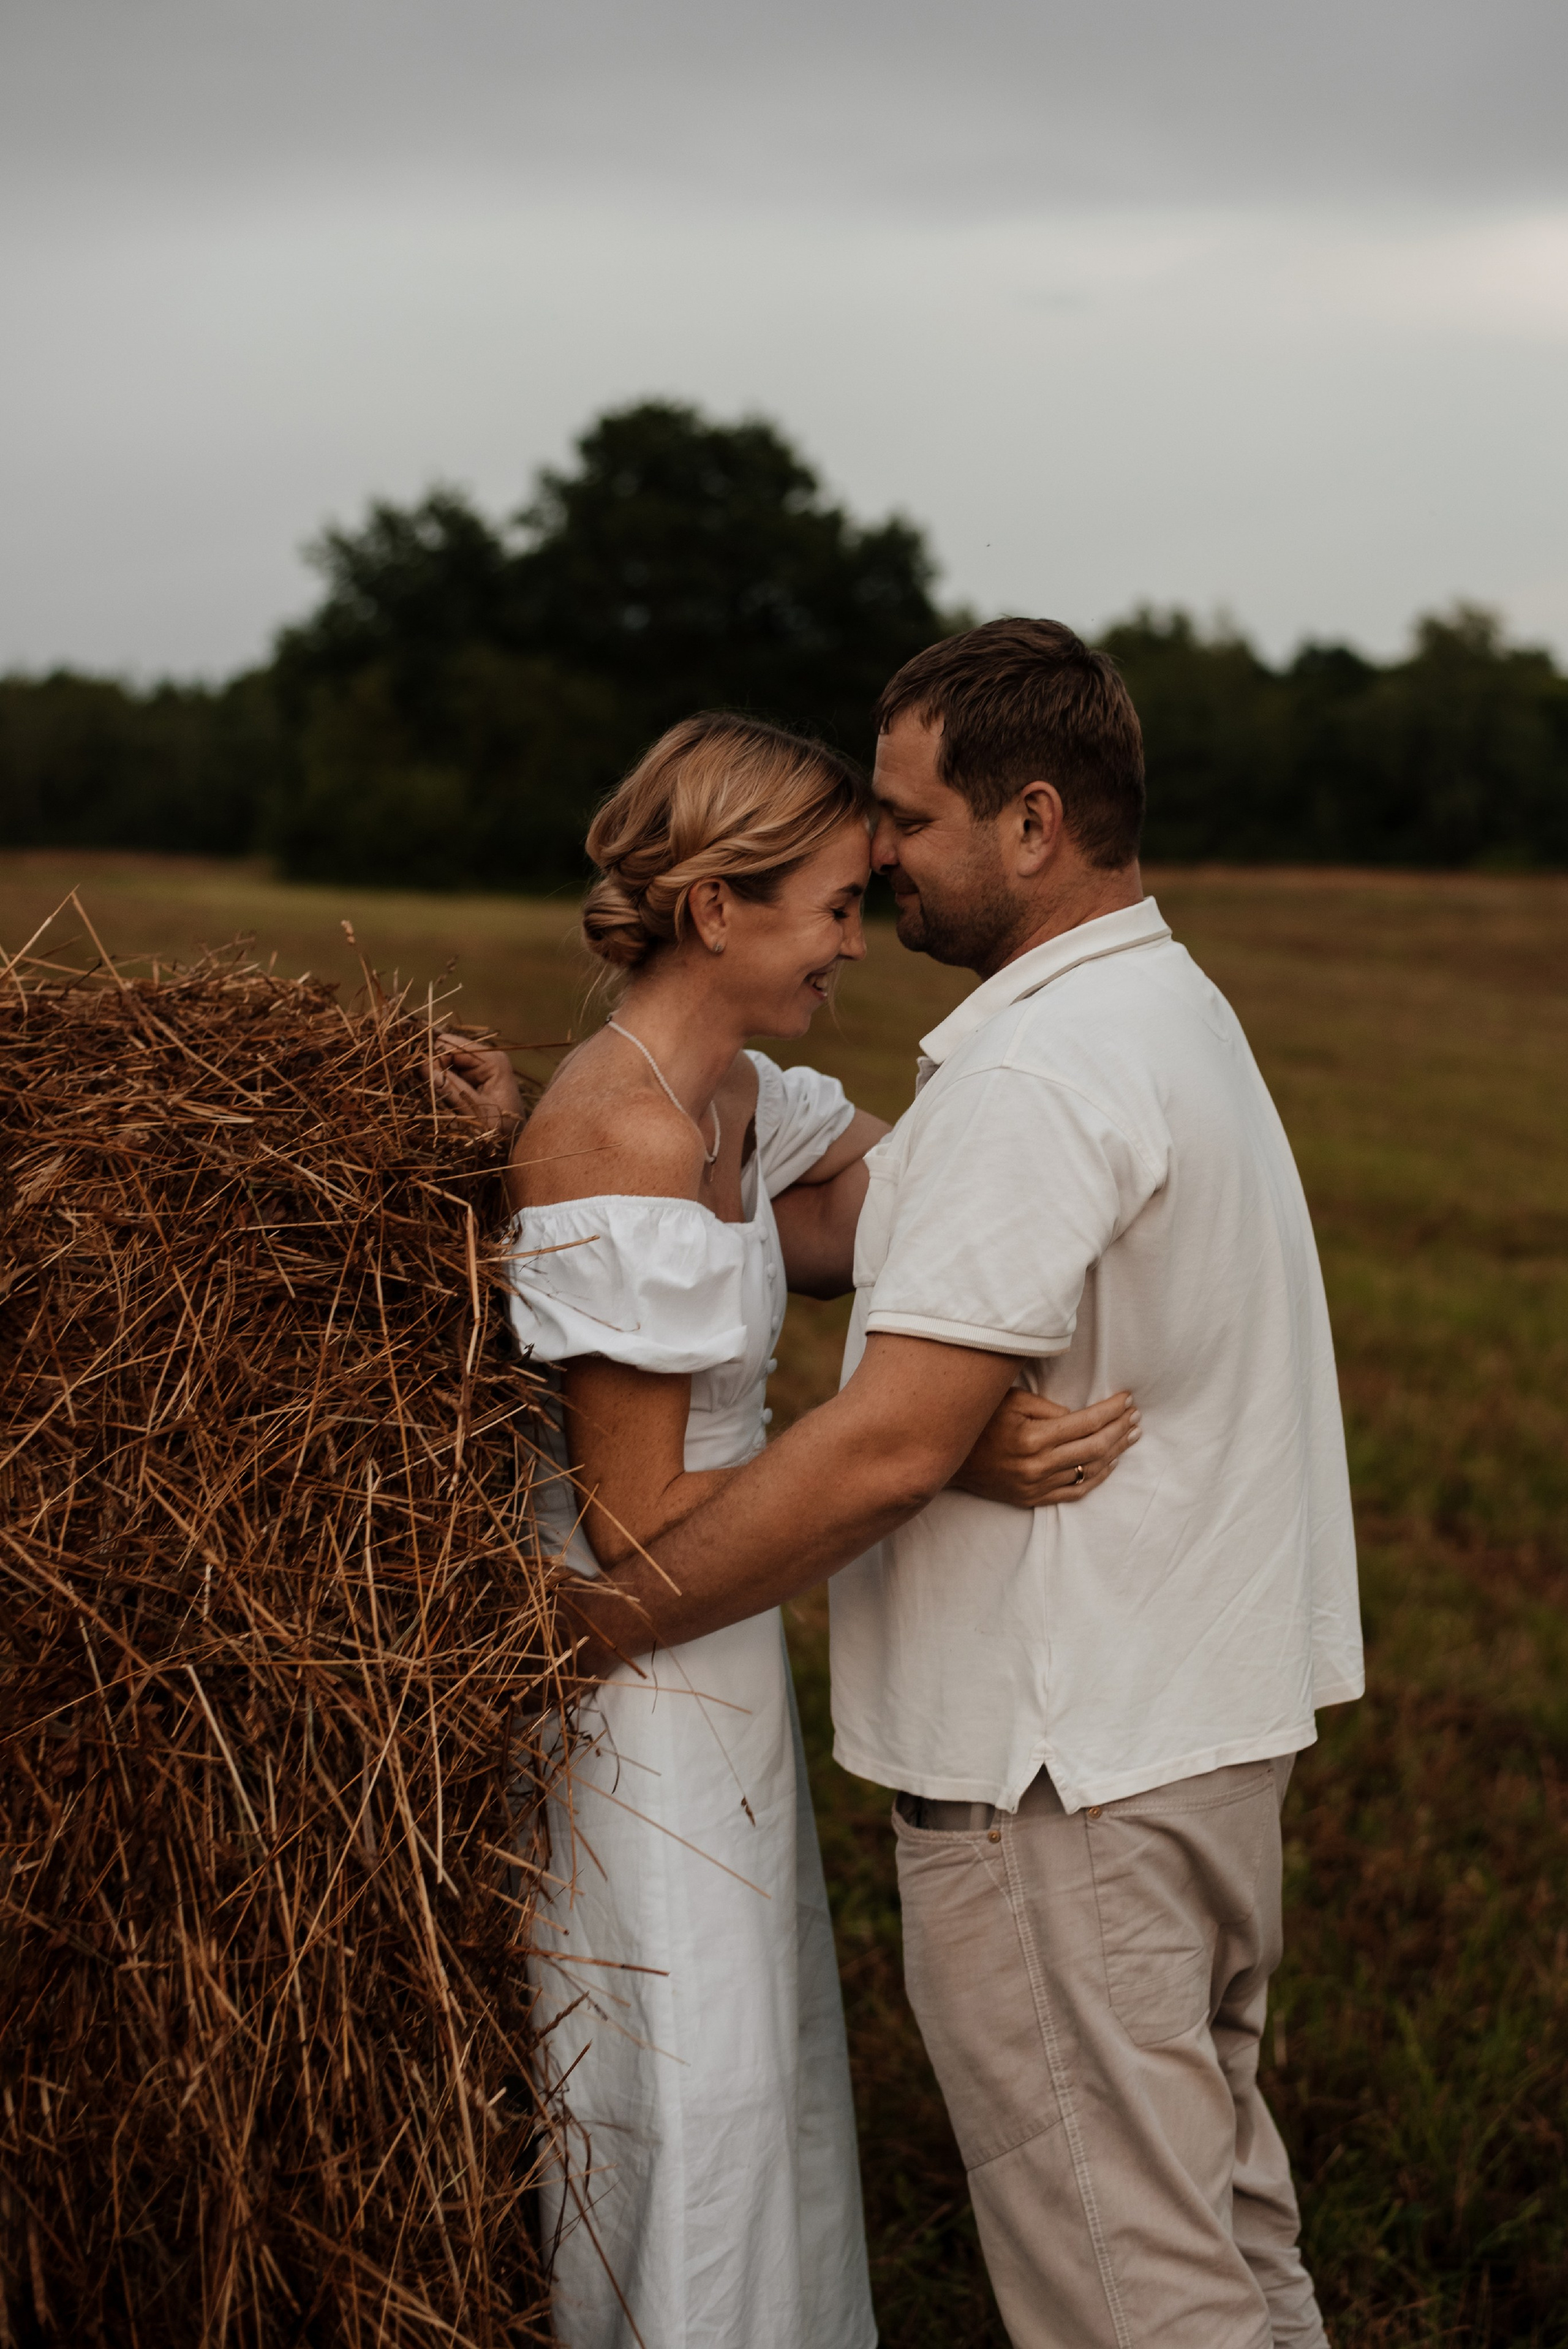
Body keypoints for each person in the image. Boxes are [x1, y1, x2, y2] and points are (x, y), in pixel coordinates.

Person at [565, 624, 1365, 2349]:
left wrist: (584, 1624)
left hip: (1061, 1768)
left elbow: (889, 1444)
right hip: (1192, 1732)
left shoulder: (1036, 1065)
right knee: (1222, 2238)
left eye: (912, 826)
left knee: (1129, 2291)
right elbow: (816, 1240)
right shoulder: (1157, 1001)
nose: (883, 860)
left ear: (1031, 822)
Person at [436, 709, 1137, 2349]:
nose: (853, 940)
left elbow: (919, 1205)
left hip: (724, 1650)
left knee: (762, 2081)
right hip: (639, 1679)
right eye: (831, 904)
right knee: (692, 2096)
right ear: (715, 909)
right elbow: (637, 1523)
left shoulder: (735, 1100)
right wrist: (929, 1448)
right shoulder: (610, 1139)